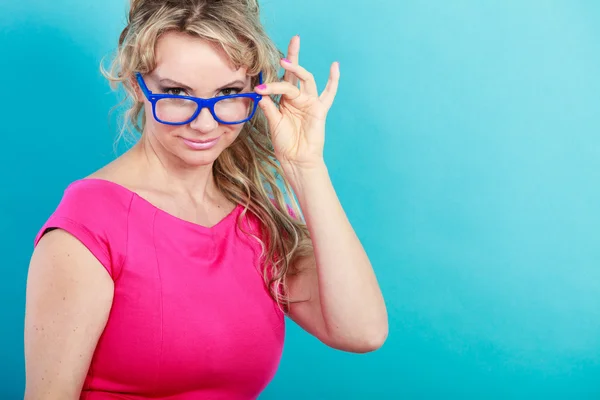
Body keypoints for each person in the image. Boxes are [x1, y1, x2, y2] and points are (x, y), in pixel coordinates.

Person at [24, 0, 388, 398]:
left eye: (228, 92)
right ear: (136, 85)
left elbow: (362, 332)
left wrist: (305, 167)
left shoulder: (257, 218)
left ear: (257, 91)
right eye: (177, 92)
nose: (204, 122)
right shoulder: (89, 225)